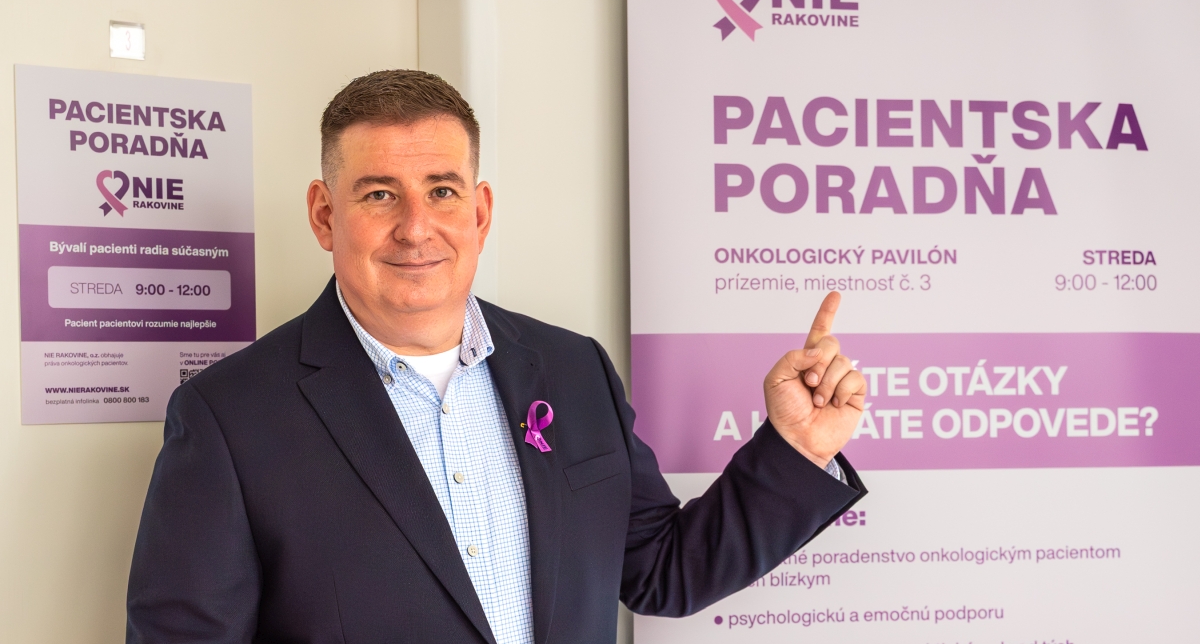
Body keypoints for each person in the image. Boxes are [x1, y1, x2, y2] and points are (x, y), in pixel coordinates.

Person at [125, 70, 868, 644]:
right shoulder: (230, 417)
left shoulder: (575, 371)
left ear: (479, 212)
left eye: (442, 191)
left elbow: (661, 568)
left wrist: (797, 447)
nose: (416, 227)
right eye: (379, 194)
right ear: (325, 214)